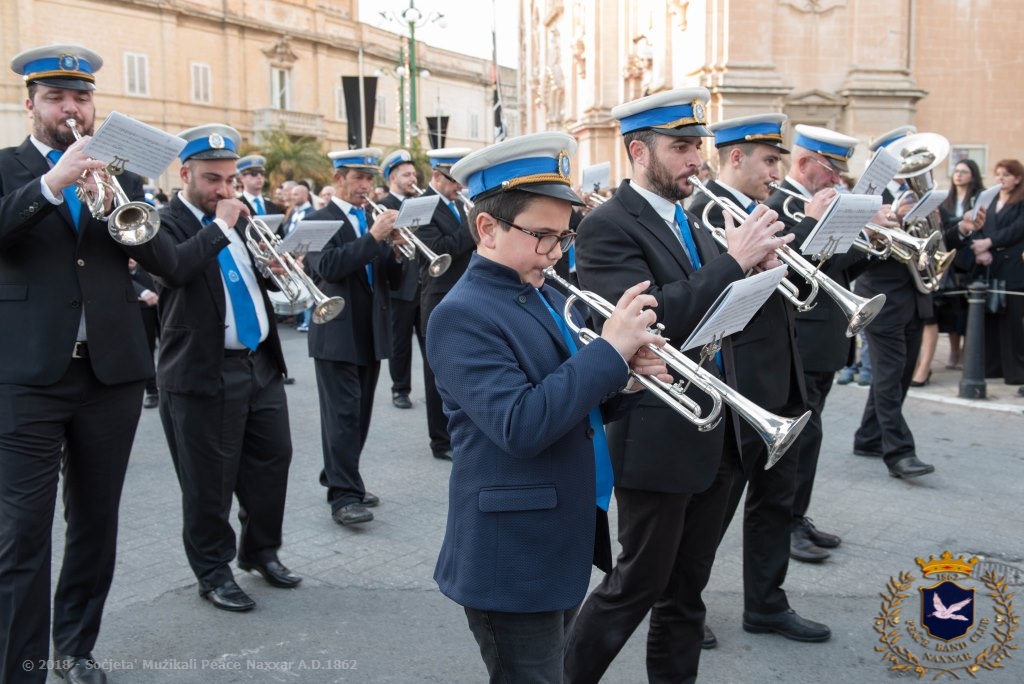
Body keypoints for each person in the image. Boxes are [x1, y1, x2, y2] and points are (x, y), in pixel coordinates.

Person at [564, 89, 789, 682]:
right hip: (657, 432)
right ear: (639, 151)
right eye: (682, 148)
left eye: (698, 147)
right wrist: (734, 264)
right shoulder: (607, 226)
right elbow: (650, 322)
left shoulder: (691, 220)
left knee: (687, 593)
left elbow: (718, 312)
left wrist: (758, 277)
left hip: (715, 429)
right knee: (634, 586)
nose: (697, 160)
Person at [429, 130, 670, 683]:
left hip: (556, 537)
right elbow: (520, 424)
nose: (557, 253)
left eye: (564, 237)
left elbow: (570, 401)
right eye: (542, 236)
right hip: (511, 557)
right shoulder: (461, 314)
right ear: (487, 228)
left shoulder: (544, 290)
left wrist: (628, 382)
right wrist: (610, 351)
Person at [0, 43, 165, 684]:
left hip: (109, 374)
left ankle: (75, 648)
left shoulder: (118, 178)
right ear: (31, 104)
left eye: (81, 97)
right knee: (23, 536)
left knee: (96, 525)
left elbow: (151, 254)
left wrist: (138, 213)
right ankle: (21, 670)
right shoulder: (10, 168)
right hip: (27, 376)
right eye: (57, 98)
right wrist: (53, 182)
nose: (71, 108)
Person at [687, 118, 831, 644]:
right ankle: (685, 605)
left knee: (775, 499)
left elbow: (800, 283)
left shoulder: (763, 211)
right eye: (768, 161)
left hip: (781, 373)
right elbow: (706, 295)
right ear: (736, 159)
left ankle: (767, 603)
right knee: (712, 511)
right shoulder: (703, 213)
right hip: (738, 377)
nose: (776, 171)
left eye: (777, 161)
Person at [147, 124, 301, 615]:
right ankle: (213, 572)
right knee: (208, 482)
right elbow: (173, 268)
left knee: (272, 463)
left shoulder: (239, 218)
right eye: (213, 179)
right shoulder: (163, 220)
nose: (224, 189)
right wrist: (220, 226)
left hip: (259, 363)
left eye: (231, 179)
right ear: (185, 172)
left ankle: (261, 551)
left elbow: (245, 280)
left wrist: (273, 269)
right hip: (201, 371)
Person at [761, 123, 892, 564]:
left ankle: (798, 516)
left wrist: (869, 238)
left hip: (826, 338)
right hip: (800, 339)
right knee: (803, 436)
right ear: (806, 165)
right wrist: (818, 222)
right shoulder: (781, 205)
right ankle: (788, 523)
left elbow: (837, 272)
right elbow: (792, 272)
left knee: (811, 437)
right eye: (832, 170)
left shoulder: (818, 204)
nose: (838, 179)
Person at [304, 148, 404, 526]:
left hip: (369, 330)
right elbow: (328, 266)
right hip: (336, 331)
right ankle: (343, 496)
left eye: (369, 179)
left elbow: (389, 281)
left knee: (358, 416)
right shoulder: (318, 219)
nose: (365, 186)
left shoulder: (370, 220)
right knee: (343, 416)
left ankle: (342, 476)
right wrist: (375, 239)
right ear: (338, 180)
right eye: (357, 178)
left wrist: (394, 251)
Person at [851, 129, 938, 478]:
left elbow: (934, 239)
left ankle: (869, 437)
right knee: (888, 377)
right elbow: (860, 251)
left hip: (915, 297)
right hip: (882, 296)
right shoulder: (869, 194)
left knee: (900, 375)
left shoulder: (920, 192)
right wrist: (894, 224)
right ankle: (899, 453)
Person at [416, 147, 473, 461]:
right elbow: (439, 249)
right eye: (454, 181)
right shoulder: (422, 206)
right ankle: (440, 441)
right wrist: (475, 225)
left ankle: (459, 431)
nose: (459, 188)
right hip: (439, 296)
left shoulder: (458, 205)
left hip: (465, 293)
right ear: (437, 176)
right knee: (436, 372)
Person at [956, 159, 1024, 395]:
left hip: (1012, 263)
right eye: (998, 174)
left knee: (1012, 319)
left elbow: (1017, 229)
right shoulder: (992, 198)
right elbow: (980, 223)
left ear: (1017, 178)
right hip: (988, 263)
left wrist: (990, 243)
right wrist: (981, 246)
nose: (1001, 179)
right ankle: (992, 366)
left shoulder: (1021, 201)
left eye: (1006, 175)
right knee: (990, 316)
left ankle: (1014, 370)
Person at [378, 149, 424, 410]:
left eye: (414, 174)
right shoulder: (384, 206)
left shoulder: (420, 202)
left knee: (429, 340)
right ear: (393, 178)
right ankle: (400, 389)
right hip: (399, 283)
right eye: (406, 174)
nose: (412, 178)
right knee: (400, 343)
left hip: (423, 279)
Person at [932, 158, 984, 372]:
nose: (959, 175)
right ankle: (954, 350)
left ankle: (966, 351)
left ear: (973, 175)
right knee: (953, 309)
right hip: (951, 254)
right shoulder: (946, 199)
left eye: (964, 171)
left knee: (968, 307)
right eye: (957, 171)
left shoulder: (979, 197)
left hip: (970, 255)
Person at [129, 258, 161, 409]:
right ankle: (152, 391)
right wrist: (143, 292)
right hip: (141, 308)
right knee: (146, 349)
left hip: (164, 304)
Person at [236, 154, 284, 218]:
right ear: (242, 177)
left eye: (262, 173)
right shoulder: (237, 206)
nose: (259, 177)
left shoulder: (273, 206)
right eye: (254, 173)